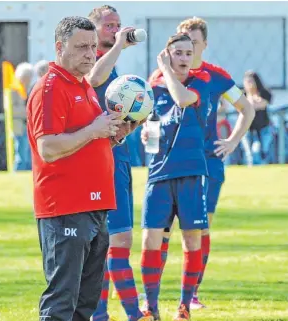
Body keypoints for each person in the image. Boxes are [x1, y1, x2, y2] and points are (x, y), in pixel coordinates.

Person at [143, 17, 255, 314]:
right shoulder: (157, 78)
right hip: (165, 166)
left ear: (203, 45)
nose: (188, 49)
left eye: (193, 43)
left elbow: (246, 108)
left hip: (203, 164)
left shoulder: (211, 78)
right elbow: (152, 118)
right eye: (182, 44)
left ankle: (189, 297)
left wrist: (231, 141)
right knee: (158, 234)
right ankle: (152, 303)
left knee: (198, 232)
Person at [26, 16, 129, 321]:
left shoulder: (83, 86)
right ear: (60, 47)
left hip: (96, 206)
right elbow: (48, 148)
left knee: (86, 304)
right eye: (82, 47)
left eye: (93, 47)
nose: (90, 54)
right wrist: (94, 131)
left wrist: (116, 134)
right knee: (62, 301)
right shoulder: (51, 87)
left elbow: (87, 141)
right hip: (65, 208)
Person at [87, 5, 152, 321]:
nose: (115, 30)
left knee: (119, 241)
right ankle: (120, 314)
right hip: (100, 163)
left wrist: (132, 124)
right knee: (109, 242)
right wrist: (117, 46)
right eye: (109, 25)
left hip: (120, 159)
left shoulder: (114, 67)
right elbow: (93, 77)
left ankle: (115, 314)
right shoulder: (90, 60)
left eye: (118, 25)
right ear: (93, 28)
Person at [141, 33, 211, 321]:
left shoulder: (201, 83)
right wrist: (147, 132)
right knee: (149, 240)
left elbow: (182, 100)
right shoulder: (153, 89)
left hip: (191, 173)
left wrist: (164, 69)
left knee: (192, 239)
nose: (184, 58)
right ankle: (152, 308)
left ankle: (184, 307)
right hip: (158, 175)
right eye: (178, 53)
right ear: (168, 54)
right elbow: (150, 129)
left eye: (188, 53)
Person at [243, 70, 273, 164]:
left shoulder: (264, 93)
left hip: (263, 128)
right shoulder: (243, 95)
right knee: (249, 153)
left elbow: (261, 105)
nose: (249, 84)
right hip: (247, 129)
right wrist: (249, 95)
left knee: (261, 151)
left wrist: (252, 96)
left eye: (251, 81)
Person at [13, 62, 34, 170]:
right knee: (20, 156)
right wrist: (29, 112)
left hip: (28, 127)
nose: (29, 80)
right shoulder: (14, 90)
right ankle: (17, 173)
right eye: (27, 77)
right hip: (18, 127)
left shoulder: (29, 89)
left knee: (27, 155)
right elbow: (12, 109)